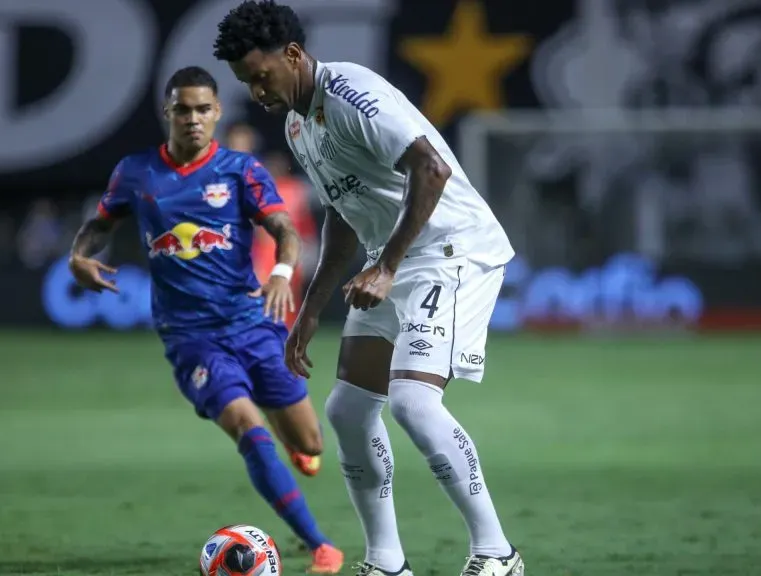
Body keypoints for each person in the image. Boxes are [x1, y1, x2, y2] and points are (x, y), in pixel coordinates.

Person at [214, 4, 523, 576]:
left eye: (261, 76)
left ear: (292, 55)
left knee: (412, 403)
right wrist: (309, 311)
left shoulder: (353, 93)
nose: (257, 92)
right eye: (245, 83)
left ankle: (497, 553)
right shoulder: (298, 124)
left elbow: (432, 169)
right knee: (349, 410)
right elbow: (342, 215)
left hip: (452, 251)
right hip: (394, 258)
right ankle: (386, 563)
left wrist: (385, 269)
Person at [67, 65, 344, 575]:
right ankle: (320, 545)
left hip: (254, 320)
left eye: (202, 109)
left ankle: (299, 450)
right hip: (189, 336)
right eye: (182, 109)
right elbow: (98, 224)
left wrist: (282, 273)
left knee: (310, 444)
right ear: (167, 113)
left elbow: (284, 228)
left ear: (216, 112)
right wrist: (78, 255)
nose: (192, 119)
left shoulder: (240, 170)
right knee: (249, 428)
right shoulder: (137, 172)